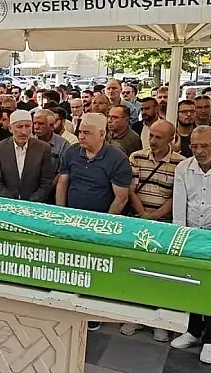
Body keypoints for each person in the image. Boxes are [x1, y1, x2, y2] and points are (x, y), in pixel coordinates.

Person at [56, 113, 132, 331]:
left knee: (95, 269)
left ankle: (93, 312)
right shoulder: (72, 152)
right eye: (80, 131)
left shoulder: (117, 158)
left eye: (87, 133)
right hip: (71, 220)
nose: (81, 136)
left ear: (102, 134)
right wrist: (61, 214)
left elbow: (121, 197)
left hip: (100, 224)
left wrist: (104, 225)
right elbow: (62, 183)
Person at [119, 120, 183, 342]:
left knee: (159, 273)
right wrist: (143, 214)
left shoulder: (180, 163)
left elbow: (176, 196)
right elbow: (131, 190)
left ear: (171, 139)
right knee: (135, 270)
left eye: (159, 137)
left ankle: (158, 320)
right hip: (138, 221)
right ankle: (135, 316)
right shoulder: (136, 157)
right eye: (151, 136)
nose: (153, 141)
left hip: (164, 224)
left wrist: (155, 216)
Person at [171, 125, 211, 365]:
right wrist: (182, 238)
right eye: (195, 146)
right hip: (192, 234)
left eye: (205, 146)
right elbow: (179, 208)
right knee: (191, 282)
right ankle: (193, 331)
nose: (199, 151)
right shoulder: (183, 168)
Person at [0, 110, 54, 202]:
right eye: (19, 127)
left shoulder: (43, 148)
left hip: (34, 203)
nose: (24, 132)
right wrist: (12, 203)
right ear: (10, 128)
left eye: (27, 126)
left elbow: (47, 182)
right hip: (5, 202)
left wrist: (30, 202)